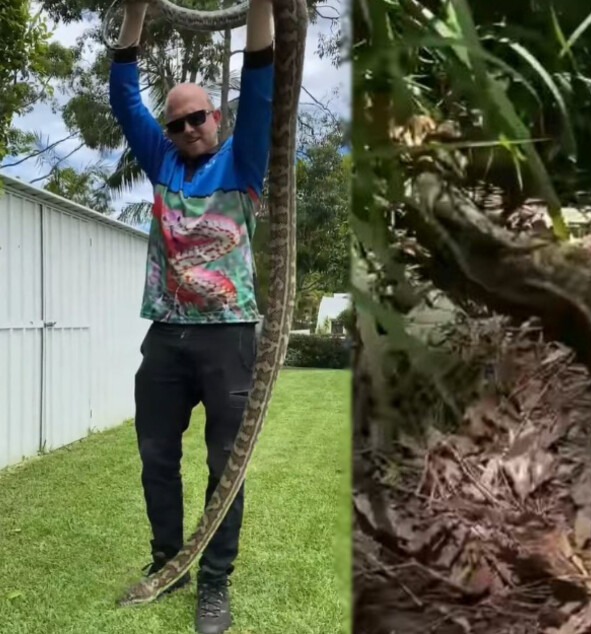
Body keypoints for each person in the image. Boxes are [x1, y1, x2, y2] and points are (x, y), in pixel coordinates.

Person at [109, 1, 274, 632]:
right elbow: (124, 95)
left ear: (217, 116)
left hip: (230, 338)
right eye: (176, 124)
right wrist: (136, 13)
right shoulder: (163, 163)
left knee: (224, 464)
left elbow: (261, 76)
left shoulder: (243, 161)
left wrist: (262, 7)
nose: (187, 131)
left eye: (198, 118)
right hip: (167, 337)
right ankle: (166, 564)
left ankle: (213, 584)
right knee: (156, 455)